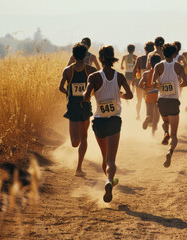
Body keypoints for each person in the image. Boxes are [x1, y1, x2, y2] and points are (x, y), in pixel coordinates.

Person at [83, 45, 133, 203]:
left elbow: (86, 96)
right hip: (114, 121)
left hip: (99, 122)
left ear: (99, 59)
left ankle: (109, 181)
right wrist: (120, 95)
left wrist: (88, 92)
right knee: (111, 160)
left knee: (104, 158)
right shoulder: (119, 76)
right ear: (113, 58)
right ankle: (109, 181)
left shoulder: (93, 77)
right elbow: (130, 95)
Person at [59, 43, 97, 176]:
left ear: (73, 55)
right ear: (86, 56)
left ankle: (79, 168)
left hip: (74, 106)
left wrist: (69, 95)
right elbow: (97, 86)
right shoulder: (91, 70)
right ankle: (79, 167)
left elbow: (61, 87)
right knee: (79, 140)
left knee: (78, 140)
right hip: (84, 105)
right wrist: (89, 94)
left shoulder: (67, 70)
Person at [152, 43, 187, 168]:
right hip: (173, 101)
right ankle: (170, 152)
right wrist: (177, 84)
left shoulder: (158, 66)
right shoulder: (179, 66)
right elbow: (185, 83)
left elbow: (153, 83)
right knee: (174, 135)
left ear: (163, 53)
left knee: (165, 121)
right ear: (174, 54)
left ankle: (165, 132)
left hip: (161, 101)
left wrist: (161, 84)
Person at [138, 54, 161, 135]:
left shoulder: (146, 73)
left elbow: (140, 84)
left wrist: (146, 89)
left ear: (150, 63)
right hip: (158, 95)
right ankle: (153, 132)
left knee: (149, 113)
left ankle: (148, 118)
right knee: (157, 114)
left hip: (149, 94)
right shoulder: (161, 73)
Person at [132, 42, 155, 120]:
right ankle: (148, 116)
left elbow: (134, 69)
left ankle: (138, 115)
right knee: (148, 101)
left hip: (140, 81)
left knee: (139, 100)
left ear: (145, 49)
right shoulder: (154, 58)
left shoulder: (140, 58)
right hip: (150, 82)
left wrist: (134, 78)